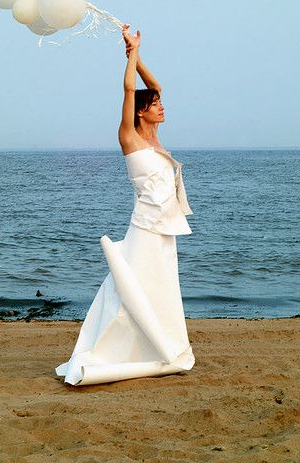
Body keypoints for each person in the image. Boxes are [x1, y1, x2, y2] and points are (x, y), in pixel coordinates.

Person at [55, 24, 195, 386]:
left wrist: (137, 54)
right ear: (141, 113)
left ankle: (159, 345)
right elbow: (131, 88)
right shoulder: (129, 137)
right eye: (155, 106)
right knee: (127, 290)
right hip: (145, 228)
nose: (161, 107)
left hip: (166, 227)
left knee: (161, 289)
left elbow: (154, 85)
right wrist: (130, 54)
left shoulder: (156, 137)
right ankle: (114, 350)